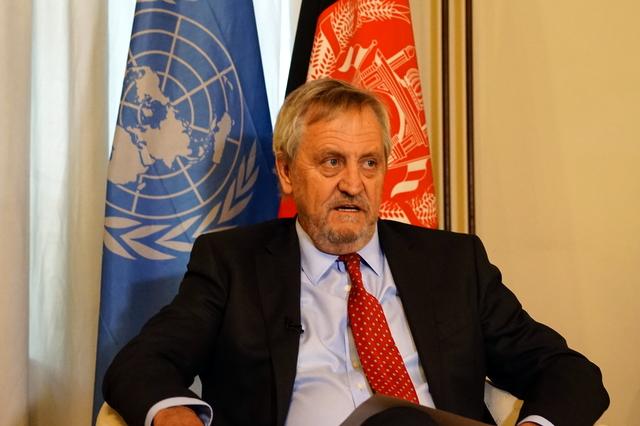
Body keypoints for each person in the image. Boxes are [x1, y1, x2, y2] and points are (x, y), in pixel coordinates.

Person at [103, 79, 609, 426]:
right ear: (286, 172)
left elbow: (570, 373)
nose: (353, 183)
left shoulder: (453, 264)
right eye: (331, 161)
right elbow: (140, 365)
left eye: (370, 163)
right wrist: (176, 415)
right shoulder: (231, 264)